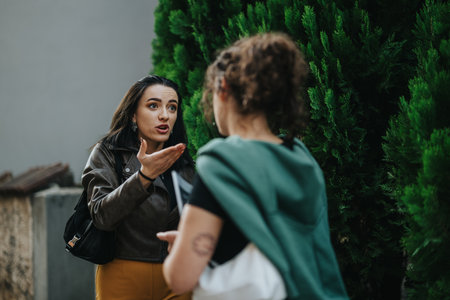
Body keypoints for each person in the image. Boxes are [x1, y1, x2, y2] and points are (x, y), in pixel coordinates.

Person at [157, 33, 349, 299]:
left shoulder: (223, 163)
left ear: (223, 87)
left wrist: (180, 250)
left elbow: (181, 278)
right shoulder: (302, 160)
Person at [82, 75, 194, 300]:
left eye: (172, 108)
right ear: (133, 114)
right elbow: (102, 215)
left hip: (178, 274)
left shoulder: (183, 160)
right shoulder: (108, 153)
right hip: (123, 273)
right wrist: (144, 176)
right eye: (153, 106)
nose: (164, 115)